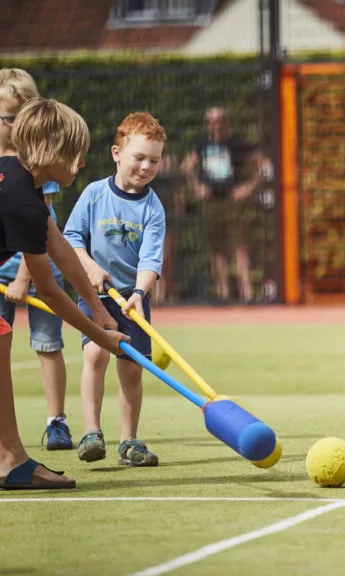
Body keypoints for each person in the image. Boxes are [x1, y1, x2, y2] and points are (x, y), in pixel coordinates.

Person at [0, 97, 127, 489]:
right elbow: (51, 292)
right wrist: (100, 336)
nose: (82, 164)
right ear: (53, 153)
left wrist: (97, 308)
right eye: (76, 155)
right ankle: (10, 460)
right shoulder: (21, 200)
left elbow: (60, 247)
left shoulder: (21, 180)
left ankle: (10, 458)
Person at [64, 112, 166, 467]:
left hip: (132, 300)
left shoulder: (153, 207)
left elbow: (151, 259)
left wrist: (139, 293)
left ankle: (129, 442)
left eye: (154, 160)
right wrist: (90, 267)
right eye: (139, 157)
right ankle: (91, 432)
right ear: (116, 153)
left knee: (132, 367)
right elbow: (71, 238)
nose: (146, 166)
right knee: (95, 355)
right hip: (95, 294)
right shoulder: (93, 195)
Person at [0, 69, 72, 450]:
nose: (16, 125)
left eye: (23, 114)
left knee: (47, 343)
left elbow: (35, 231)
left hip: (37, 261)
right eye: (9, 116)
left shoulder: (38, 158)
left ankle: (56, 421)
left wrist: (23, 279)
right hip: (2, 267)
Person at [181, 106, 268, 303]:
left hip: (232, 200)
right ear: (207, 124)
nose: (216, 124)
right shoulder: (202, 145)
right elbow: (186, 167)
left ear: (226, 121)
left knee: (240, 246)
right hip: (211, 201)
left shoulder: (236, 143)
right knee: (217, 249)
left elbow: (263, 164)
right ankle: (223, 294)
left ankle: (247, 295)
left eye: (219, 120)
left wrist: (249, 187)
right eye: (211, 121)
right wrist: (197, 185)